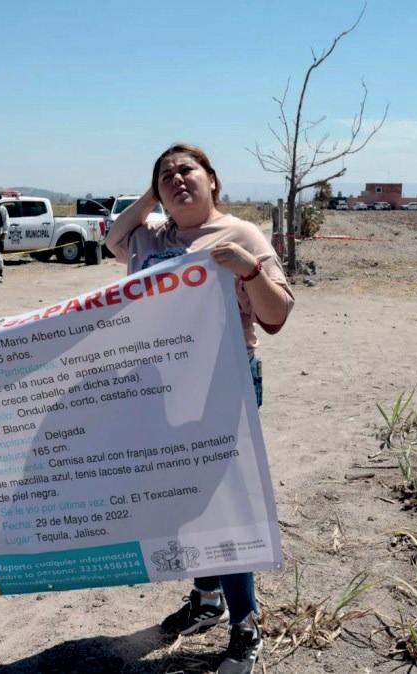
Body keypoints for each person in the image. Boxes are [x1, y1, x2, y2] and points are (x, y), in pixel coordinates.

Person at [105, 144, 294, 674]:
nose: (177, 179)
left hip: (222, 383)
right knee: (190, 499)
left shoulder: (240, 234)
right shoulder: (149, 237)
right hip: (160, 385)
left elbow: (277, 316)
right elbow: (113, 238)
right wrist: (153, 195)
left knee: (223, 504)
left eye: (187, 170)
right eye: (165, 175)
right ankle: (208, 599)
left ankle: (246, 624)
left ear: (213, 179)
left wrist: (250, 270)